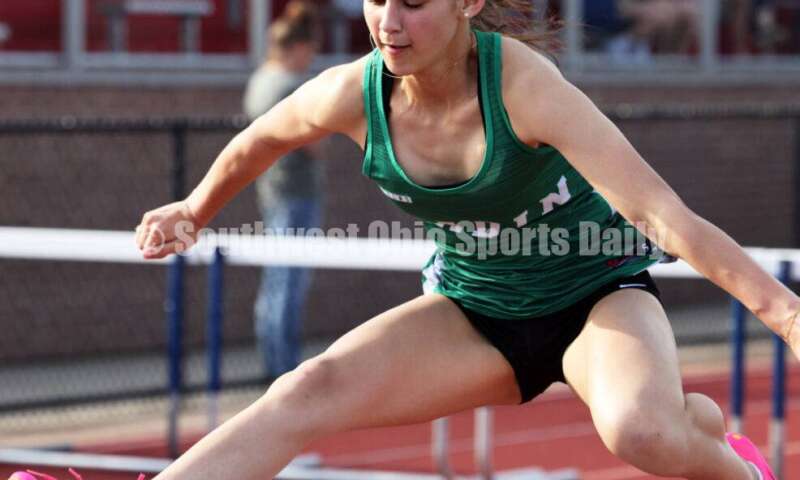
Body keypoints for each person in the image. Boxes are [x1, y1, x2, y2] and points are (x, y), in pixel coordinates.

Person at [133, 1, 799, 479]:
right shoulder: (352, 93)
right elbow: (263, 140)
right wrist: (195, 208)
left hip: (596, 299)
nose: (389, 23)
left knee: (642, 432)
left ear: (466, 5)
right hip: (475, 315)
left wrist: (786, 315)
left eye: (415, 4)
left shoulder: (525, 86)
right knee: (307, 390)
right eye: (376, 1)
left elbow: (659, 213)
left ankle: (733, 466)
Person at [244, 0, 325, 380]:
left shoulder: (259, 80)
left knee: (275, 281)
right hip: (295, 192)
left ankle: (271, 363)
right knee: (288, 284)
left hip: (272, 190)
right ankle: (283, 369)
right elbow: (312, 141)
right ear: (296, 48)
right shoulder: (290, 86)